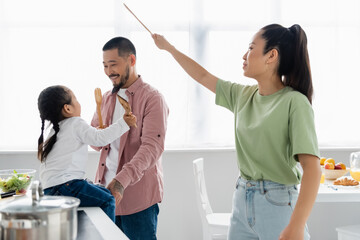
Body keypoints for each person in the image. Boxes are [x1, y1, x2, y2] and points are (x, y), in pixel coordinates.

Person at [152, 24, 321, 240]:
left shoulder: (295, 102)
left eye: (251, 48)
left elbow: (312, 169)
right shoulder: (242, 96)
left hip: (278, 204)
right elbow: (203, 76)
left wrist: (297, 226)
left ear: (272, 56)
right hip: (242, 200)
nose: (244, 55)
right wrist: (169, 48)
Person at [90, 37, 169, 240]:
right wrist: (98, 134)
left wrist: (120, 181)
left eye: (113, 64)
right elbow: (96, 143)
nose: (109, 71)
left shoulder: (153, 99)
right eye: (105, 65)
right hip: (105, 195)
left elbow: (152, 148)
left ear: (131, 60)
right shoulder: (107, 98)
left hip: (137, 199)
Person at [37, 85, 137, 222]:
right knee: (108, 200)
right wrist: (124, 123)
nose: (78, 102)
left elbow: (91, 135)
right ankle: (106, 236)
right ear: (68, 108)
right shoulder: (75, 123)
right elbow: (100, 138)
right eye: (75, 99)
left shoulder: (54, 131)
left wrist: (96, 131)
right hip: (67, 185)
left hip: (49, 190)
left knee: (103, 192)